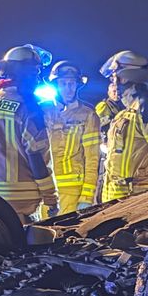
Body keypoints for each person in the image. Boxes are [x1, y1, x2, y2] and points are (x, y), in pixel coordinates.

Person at [0, 45, 57, 218]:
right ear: (24, 74)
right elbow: (36, 156)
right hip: (25, 200)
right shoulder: (28, 108)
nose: (37, 79)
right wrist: (50, 197)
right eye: (35, 73)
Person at [99, 50, 148, 202]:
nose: (113, 84)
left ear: (124, 78)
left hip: (135, 194)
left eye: (114, 78)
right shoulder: (127, 109)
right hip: (117, 193)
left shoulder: (147, 106)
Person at [42, 61, 101, 214]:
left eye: (72, 83)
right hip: (45, 191)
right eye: (63, 84)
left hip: (73, 193)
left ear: (77, 85)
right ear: (56, 85)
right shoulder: (43, 111)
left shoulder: (88, 114)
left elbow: (92, 158)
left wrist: (87, 197)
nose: (68, 88)